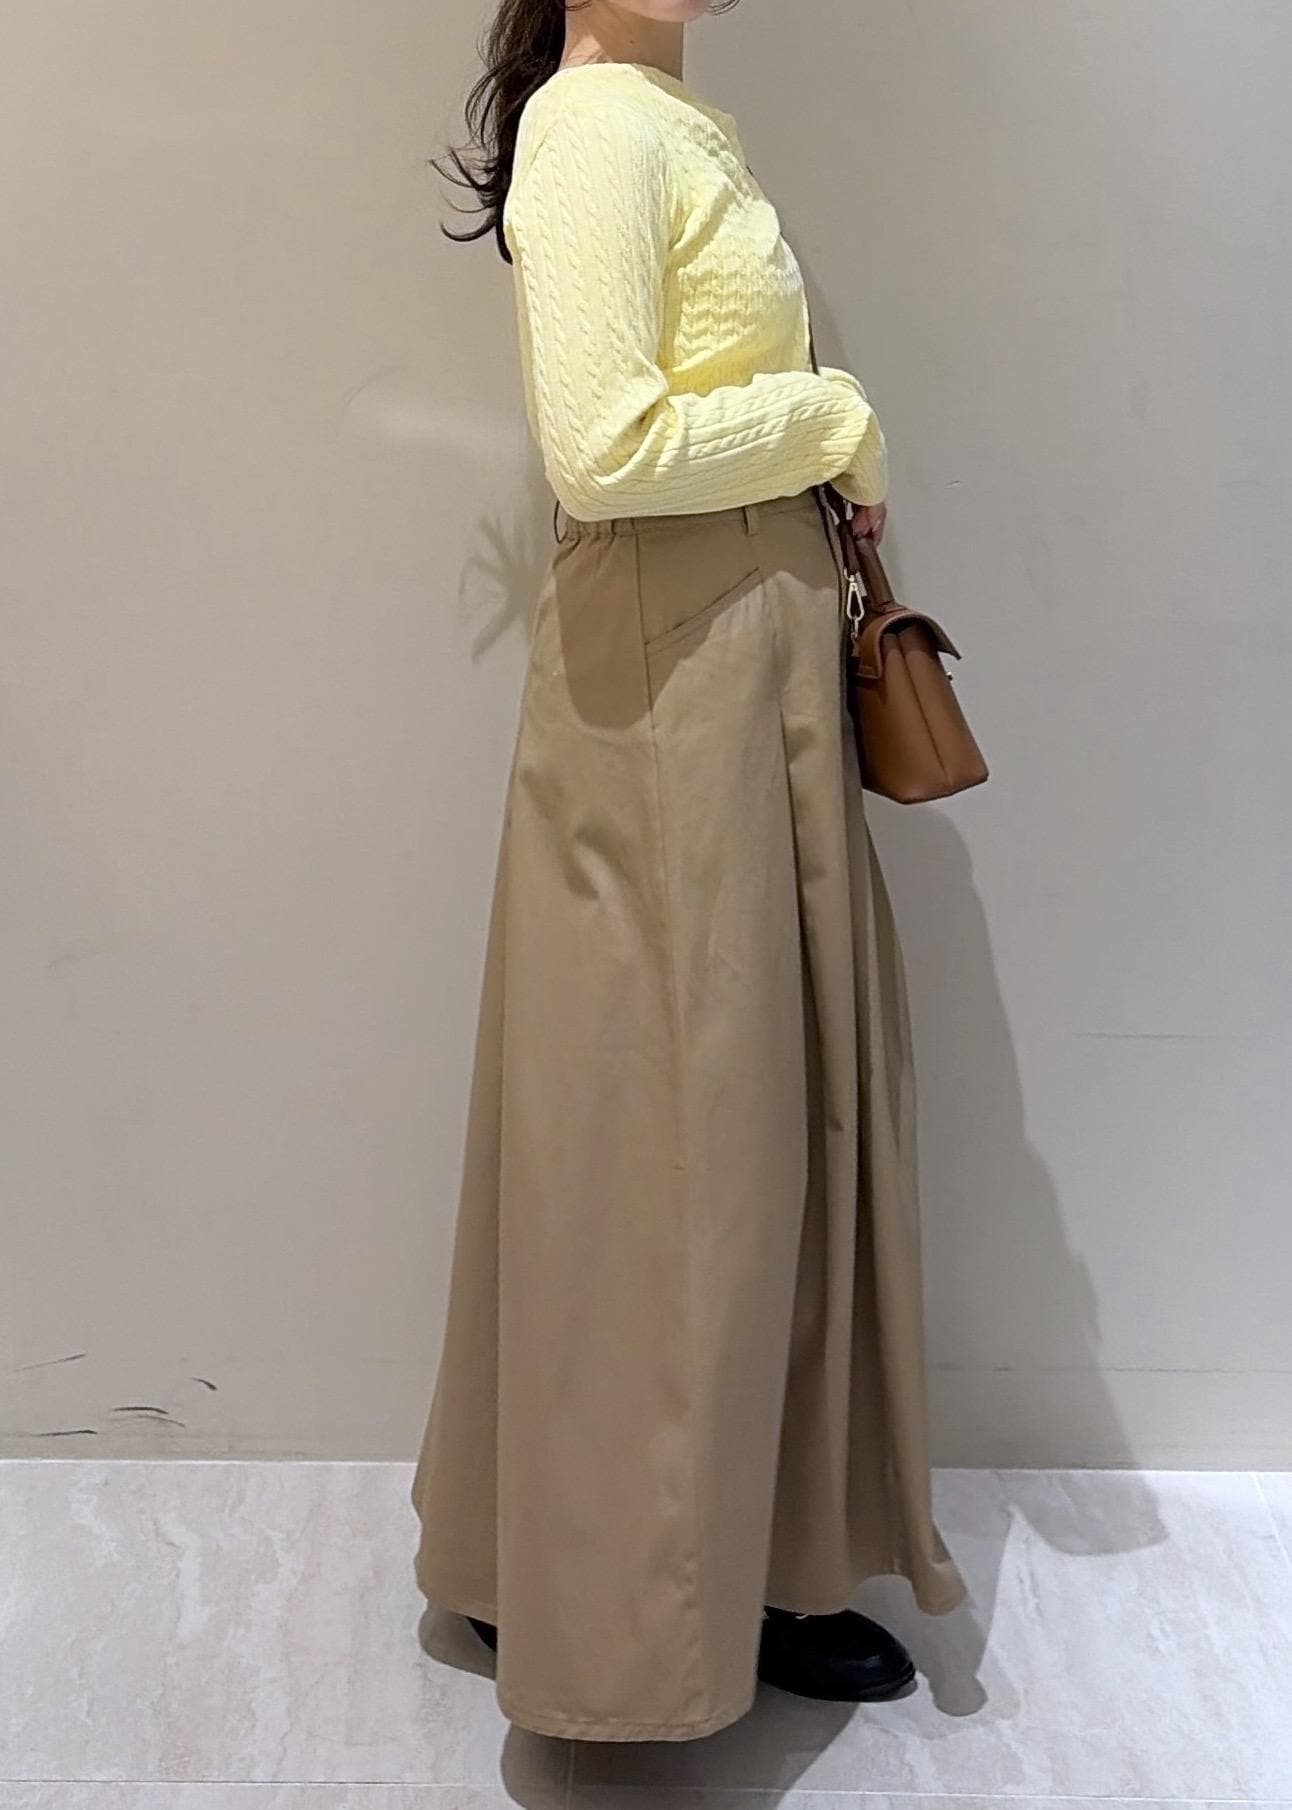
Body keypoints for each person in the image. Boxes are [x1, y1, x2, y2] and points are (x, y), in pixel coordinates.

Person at [409, 0, 968, 1744]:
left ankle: (717, 1556)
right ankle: (618, 1609)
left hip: (738, 666)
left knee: (734, 1128)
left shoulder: (662, 117)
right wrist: (835, 414)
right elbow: (605, 446)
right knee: (670, 1145)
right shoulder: (596, 129)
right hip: (673, 677)